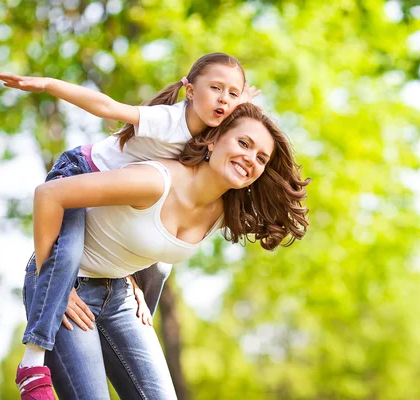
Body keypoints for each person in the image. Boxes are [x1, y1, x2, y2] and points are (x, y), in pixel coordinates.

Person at [0, 52, 261, 397]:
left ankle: (126, 317)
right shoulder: (168, 121)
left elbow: (248, 131)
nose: (224, 99)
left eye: (232, 93)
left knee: (161, 266)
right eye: (215, 89)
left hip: (117, 233)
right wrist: (48, 85)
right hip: (83, 172)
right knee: (69, 253)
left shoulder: (215, 139)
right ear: (189, 90)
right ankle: (33, 362)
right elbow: (106, 106)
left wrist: (246, 104)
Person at [24, 103, 309, 398]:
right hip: (68, 286)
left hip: (120, 295)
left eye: (261, 157)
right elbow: (50, 195)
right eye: (243, 143)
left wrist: (132, 273)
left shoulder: (226, 210)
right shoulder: (155, 181)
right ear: (213, 140)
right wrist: (54, 286)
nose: (249, 158)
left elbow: (147, 237)